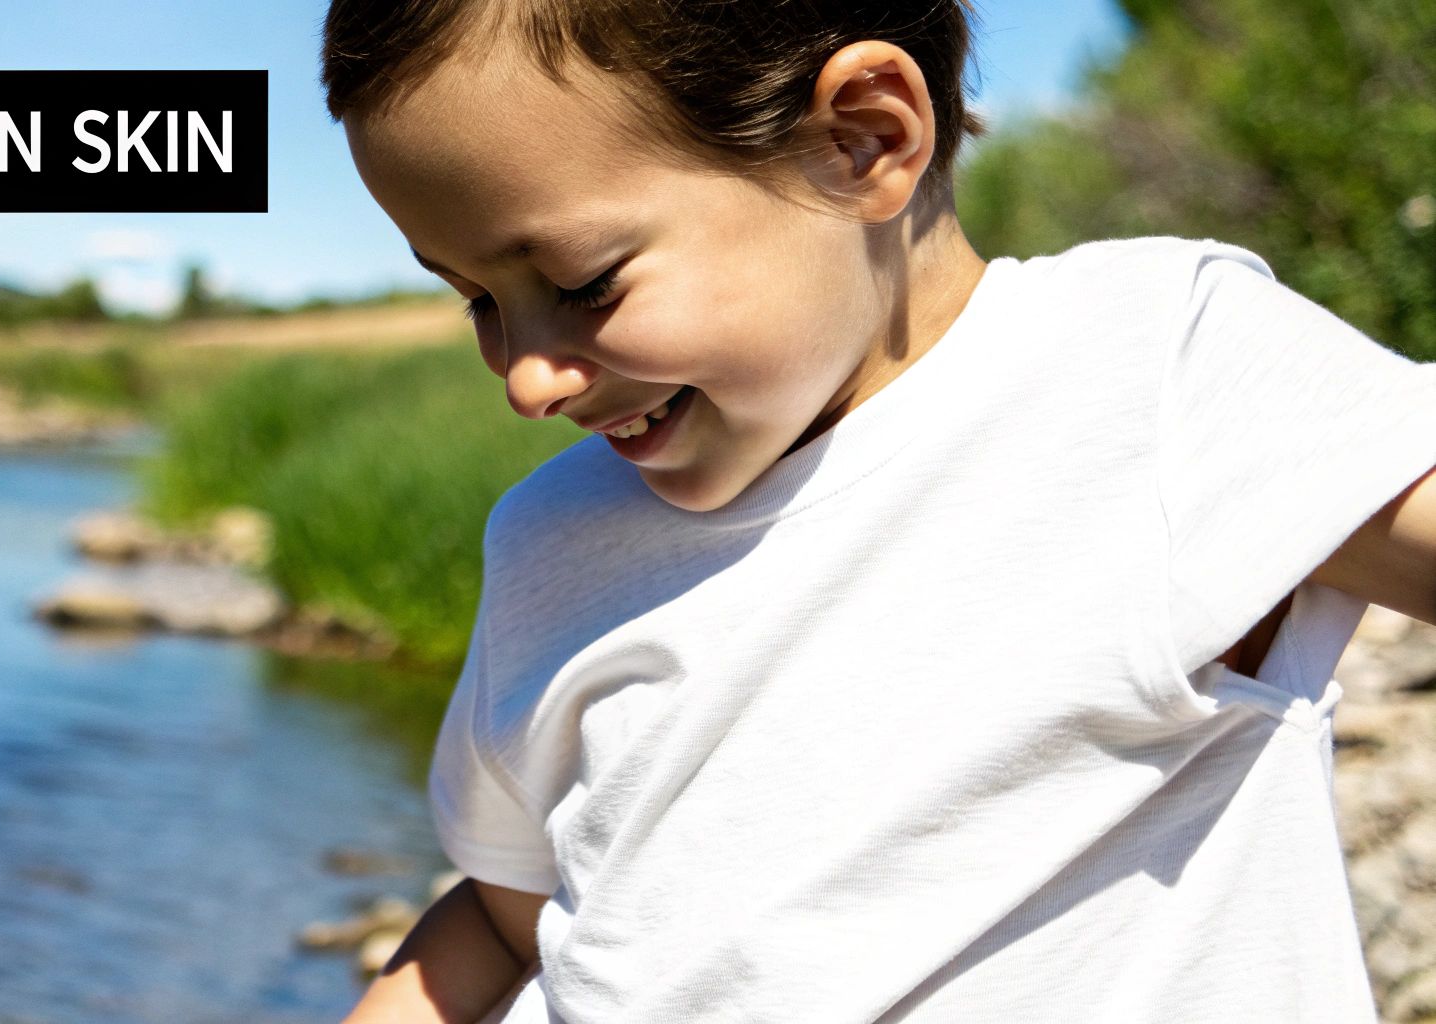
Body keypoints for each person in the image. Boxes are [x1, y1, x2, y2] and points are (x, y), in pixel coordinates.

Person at [318, 2, 1436, 1020]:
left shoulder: (1144, 374)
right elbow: (505, 917)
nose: (523, 377)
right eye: (474, 297)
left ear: (861, 139)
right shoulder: (550, 536)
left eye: (581, 282)